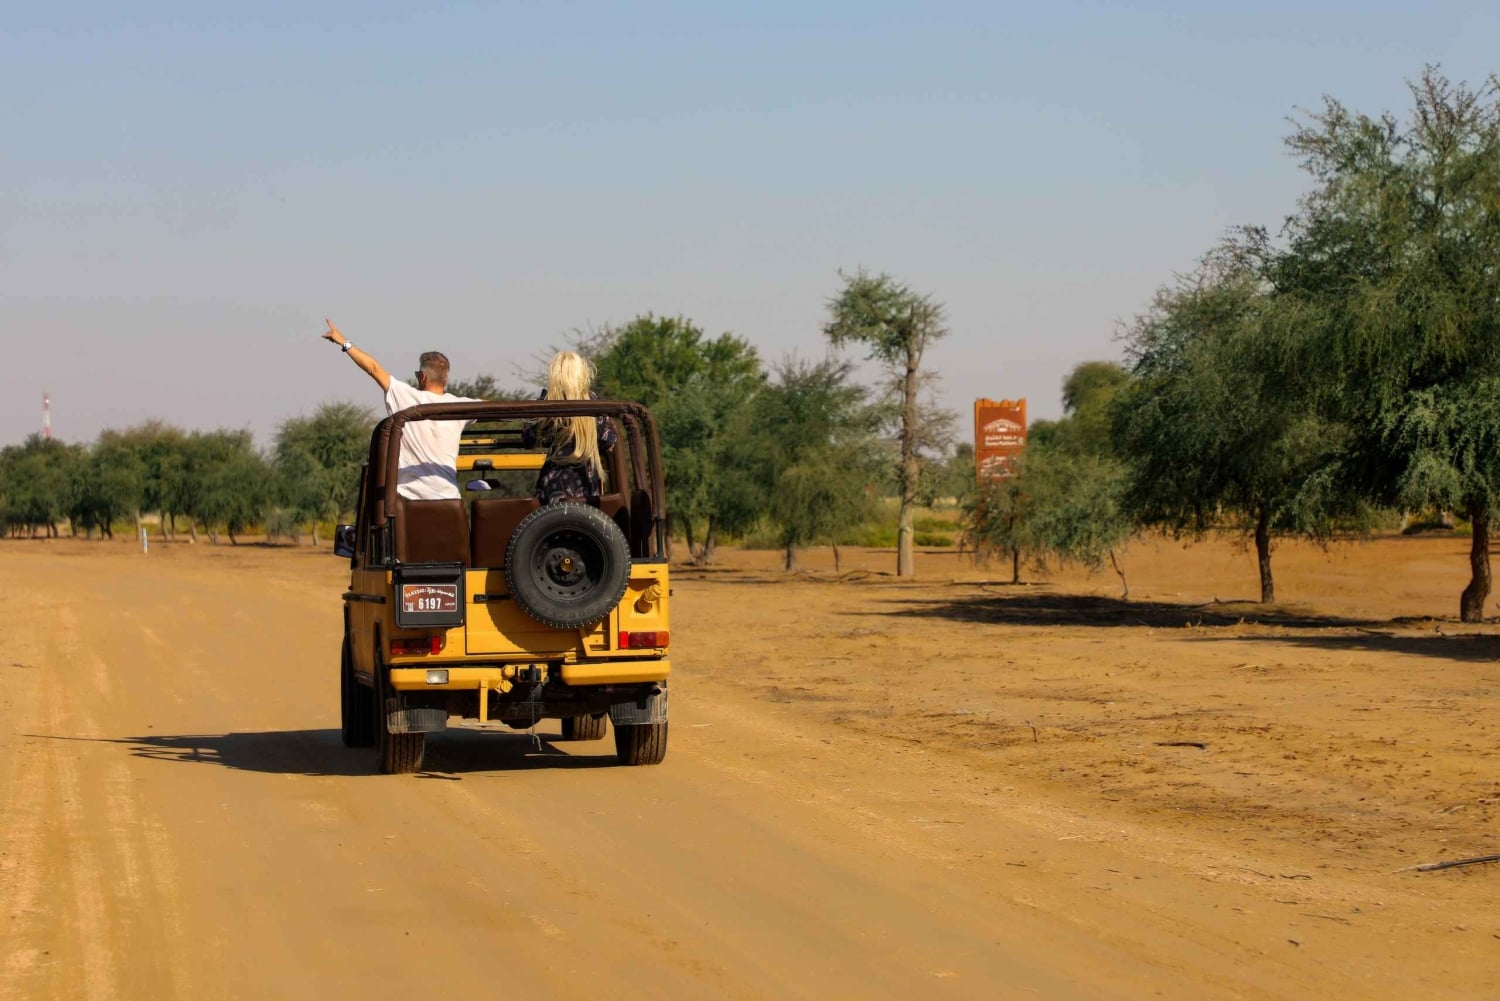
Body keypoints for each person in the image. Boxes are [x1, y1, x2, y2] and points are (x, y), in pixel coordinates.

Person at [322, 319, 480, 500]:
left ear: (422, 376)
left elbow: (373, 368)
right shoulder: (460, 406)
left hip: (408, 502)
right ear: (445, 379)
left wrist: (343, 341)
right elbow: (495, 409)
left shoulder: (405, 397)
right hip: (450, 501)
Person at [521, 350, 617, 505]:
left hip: (552, 482)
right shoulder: (593, 403)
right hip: (586, 480)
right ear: (582, 374)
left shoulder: (544, 404)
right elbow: (609, 440)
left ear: (554, 376)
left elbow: (528, 439)